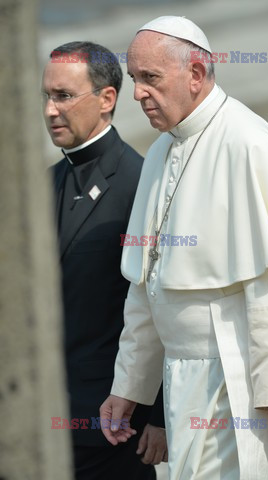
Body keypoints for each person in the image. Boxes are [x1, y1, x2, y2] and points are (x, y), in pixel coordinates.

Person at [100, 16, 268, 480]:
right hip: (183, 382)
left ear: (195, 75)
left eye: (150, 79)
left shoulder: (249, 143)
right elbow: (147, 284)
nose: (137, 93)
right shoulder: (160, 150)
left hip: (236, 380)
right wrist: (130, 387)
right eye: (136, 79)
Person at [42, 41, 167, 480]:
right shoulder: (43, 184)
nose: (50, 111)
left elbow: (163, 303)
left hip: (114, 425)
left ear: (107, 99)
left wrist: (160, 417)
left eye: (63, 96)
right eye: (47, 96)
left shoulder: (140, 182)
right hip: (44, 420)